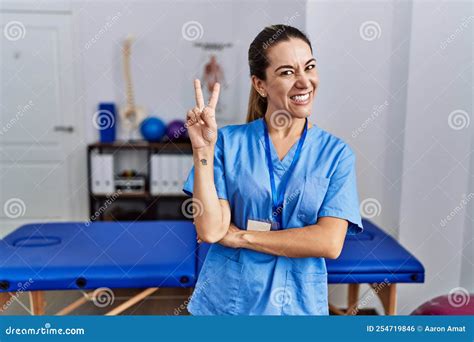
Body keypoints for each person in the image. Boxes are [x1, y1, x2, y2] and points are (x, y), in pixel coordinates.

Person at [183, 24, 363, 315]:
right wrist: (202, 151)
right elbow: (212, 229)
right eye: (287, 72)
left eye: (310, 67)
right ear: (260, 84)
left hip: (298, 307)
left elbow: (329, 242)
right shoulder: (227, 143)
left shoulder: (336, 154)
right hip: (227, 304)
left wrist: (242, 237)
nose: (305, 82)